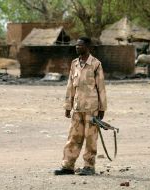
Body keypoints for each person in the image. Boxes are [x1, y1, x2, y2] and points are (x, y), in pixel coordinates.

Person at [54, 37, 107, 176]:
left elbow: (101, 87)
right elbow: (70, 85)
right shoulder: (74, 64)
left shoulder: (96, 64)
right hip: (77, 108)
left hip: (92, 109)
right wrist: (67, 105)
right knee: (73, 137)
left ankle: (89, 167)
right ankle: (67, 166)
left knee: (90, 139)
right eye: (76, 45)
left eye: (80, 45)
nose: (77, 47)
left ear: (87, 47)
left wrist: (102, 108)